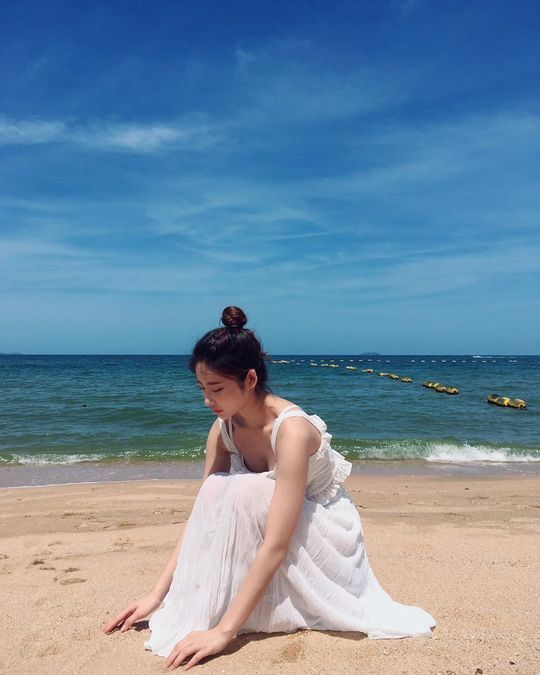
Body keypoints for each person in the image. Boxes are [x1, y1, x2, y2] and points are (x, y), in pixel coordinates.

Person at [102, 305, 436, 670]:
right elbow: (202, 515)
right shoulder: (223, 427)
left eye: (216, 388)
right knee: (216, 489)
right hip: (272, 530)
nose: (207, 400)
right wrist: (157, 594)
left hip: (321, 533)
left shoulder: (290, 430)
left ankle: (245, 610)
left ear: (249, 379)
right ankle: (235, 602)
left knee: (243, 490)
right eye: (201, 388)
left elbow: (277, 540)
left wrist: (223, 632)